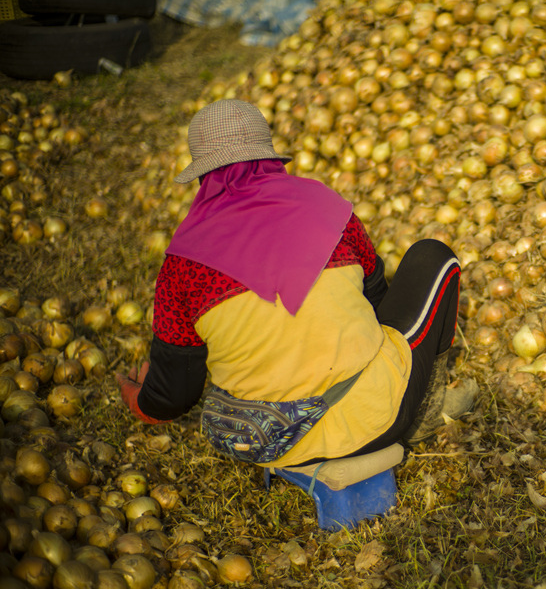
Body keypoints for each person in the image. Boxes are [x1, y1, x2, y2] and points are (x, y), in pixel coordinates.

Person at [115, 99, 476, 471]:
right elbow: (376, 303)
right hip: (369, 424)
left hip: (259, 441)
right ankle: (424, 416)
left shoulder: (182, 262)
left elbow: (173, 395)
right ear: (268, 155)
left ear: (202, 173)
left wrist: (140, 401)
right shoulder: (329, 209)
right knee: (433, 257)